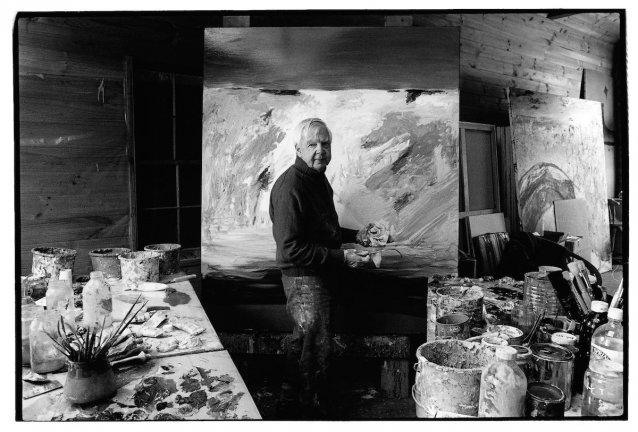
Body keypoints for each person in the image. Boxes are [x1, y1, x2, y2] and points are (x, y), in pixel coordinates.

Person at [269, 118, 373, 417]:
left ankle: (310, 404)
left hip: (318, 276)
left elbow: (324, 231)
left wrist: (358, 236)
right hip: (303, 280)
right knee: (311, 347)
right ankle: (300, 411)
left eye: (325, 143)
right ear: (298, 147)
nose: (320, 150)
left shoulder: (317, 178)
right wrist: (343, 258)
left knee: (316, 344)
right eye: (312, 144)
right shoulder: (290, 187)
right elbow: (291, 248)